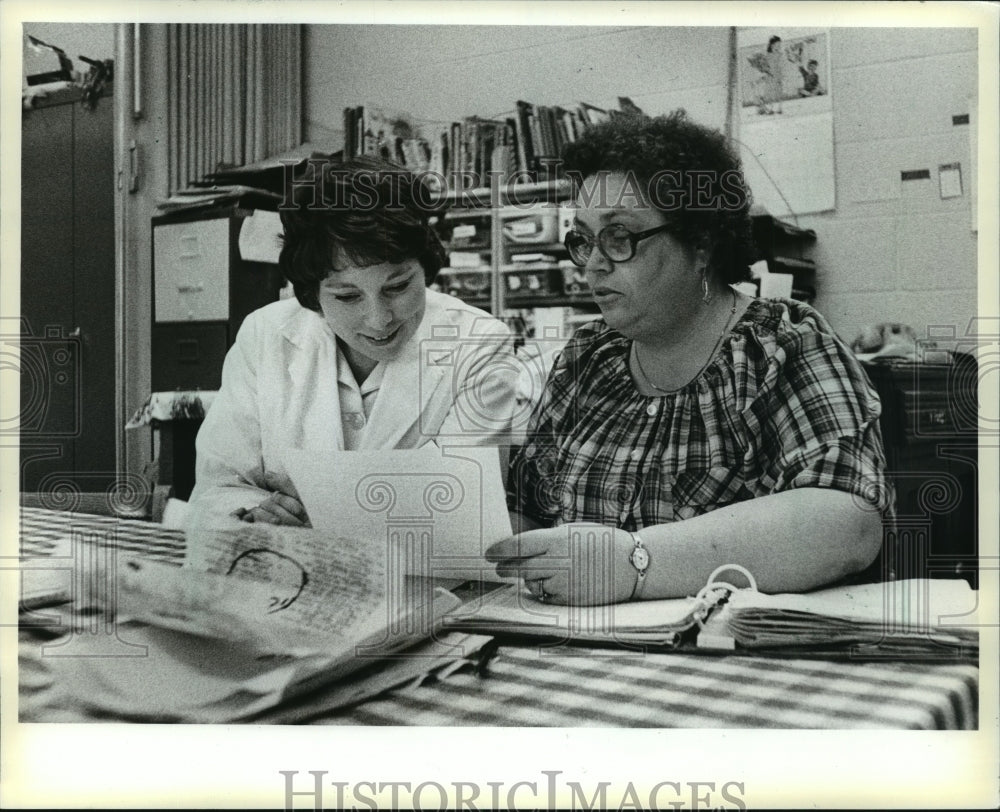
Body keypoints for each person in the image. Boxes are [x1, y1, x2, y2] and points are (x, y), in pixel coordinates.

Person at [488, 111, 892, 605]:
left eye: (620, 237)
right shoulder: (585, 361)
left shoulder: (784, 346)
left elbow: (848, 522)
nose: (593, 263)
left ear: (701, 242)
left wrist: (634, 561)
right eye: (584, 239)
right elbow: (524, 510)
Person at [186, 155, 517, 527]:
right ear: (311, 294)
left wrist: (320, 512)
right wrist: (256, 514)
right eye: (347, 297)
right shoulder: (265, 334)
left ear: (426, 267)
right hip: (283, 570)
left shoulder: (479, 344)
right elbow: (218, 488)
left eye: (399, 286)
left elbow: (463, 516)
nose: (379, 319)